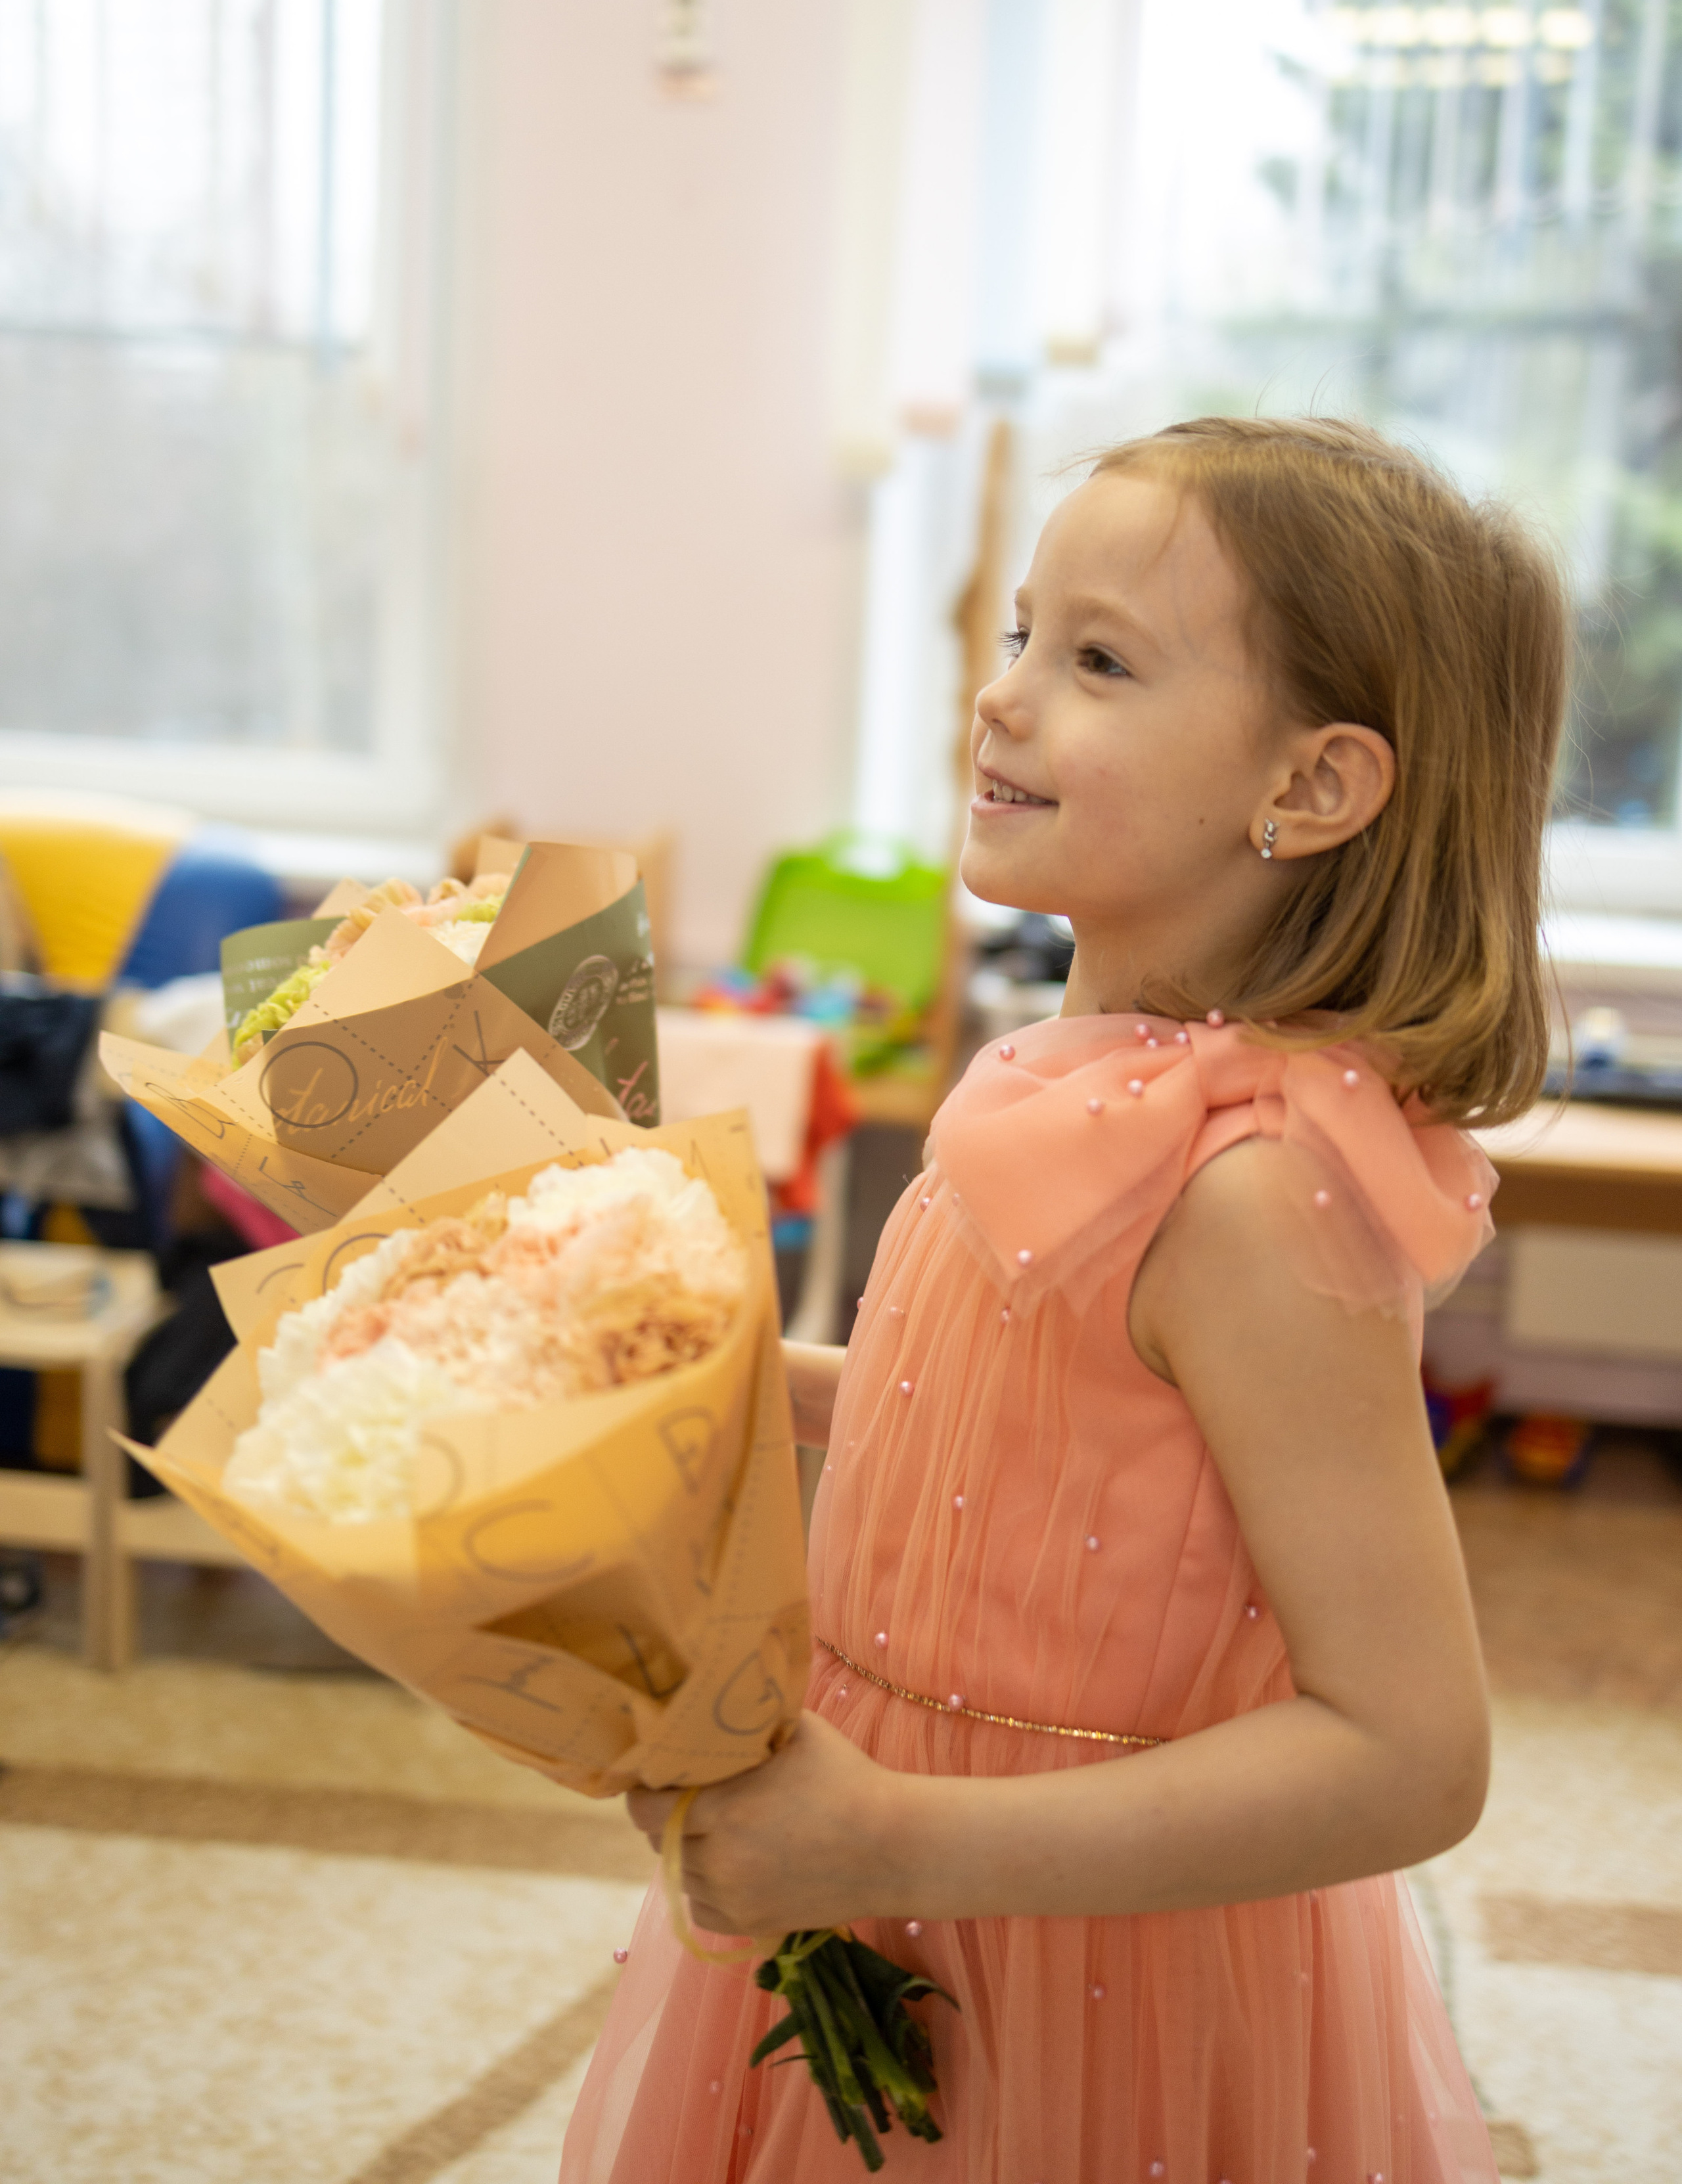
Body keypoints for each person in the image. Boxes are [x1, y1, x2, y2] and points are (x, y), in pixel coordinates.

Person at [561, 416, 1567, 2183]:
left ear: (1317, 788)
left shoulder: (1253, 1191)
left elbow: (1412, 1757)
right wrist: (723, 1376)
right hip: (875, 1844)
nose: (1004, 696)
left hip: (1086, 1940)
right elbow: (1004, 1439)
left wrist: (895, 1841)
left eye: (1098, 660)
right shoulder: (1059, 1077)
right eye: (1024, 633)